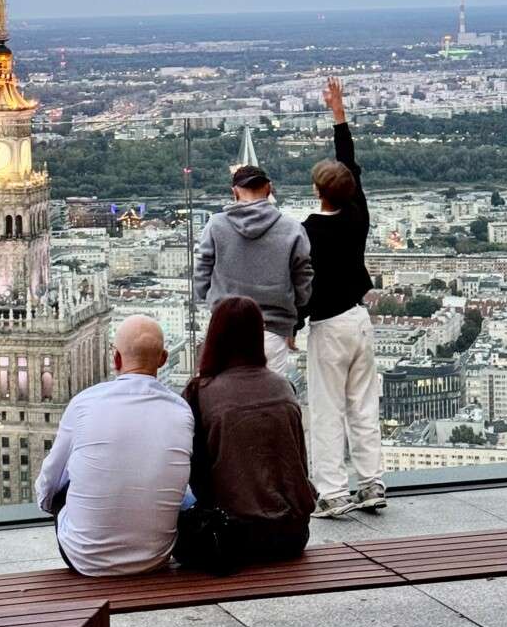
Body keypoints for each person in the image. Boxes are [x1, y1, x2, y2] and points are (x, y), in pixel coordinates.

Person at [34, 315, 193, 576]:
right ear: (164, 360)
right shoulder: (181, 410)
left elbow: (48, 486)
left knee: (65, 482)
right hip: (156, 557)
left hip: (84, 558)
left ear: (116, 359)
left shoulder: (85, 403)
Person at [296, 77, 385, 518]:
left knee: (327, 410)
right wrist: (340, 116)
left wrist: (293, 326)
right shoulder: (358, 214)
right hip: (359, 319)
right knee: (363, 405)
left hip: (328, 327)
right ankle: (371, 483)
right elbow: (350, 164)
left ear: (318, 191)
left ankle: (332, 491)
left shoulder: (306, 232)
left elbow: (300, 290)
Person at [176, 296, 314, 570]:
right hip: (292, 535)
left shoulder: (200, 393)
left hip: (229, 536)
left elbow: (194, 473)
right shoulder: (284, 387)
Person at [194, 162, 313, 376]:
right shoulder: (292, 228)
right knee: (269, 399)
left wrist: (211, 300)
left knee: (227, 396)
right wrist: (294, 309)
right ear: (269, 189)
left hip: (226, 326)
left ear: (234, 192)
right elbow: (303, 278)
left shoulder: (216, 225)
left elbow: (202, 271)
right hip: (272, 328)